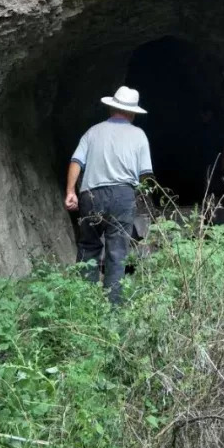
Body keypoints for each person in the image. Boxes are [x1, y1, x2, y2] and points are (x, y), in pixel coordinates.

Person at [64, 85, 153, 304]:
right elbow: (146, 175)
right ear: (132, 113)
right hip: (123, 196)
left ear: (111, 108)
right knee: (117, 252)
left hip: (91, 195)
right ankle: (113, 308)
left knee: (88, 246)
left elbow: (76, 161)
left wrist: (70, 192)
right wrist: (143, 197)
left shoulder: (92, 132)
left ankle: (84, 303)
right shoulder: (139, 135)